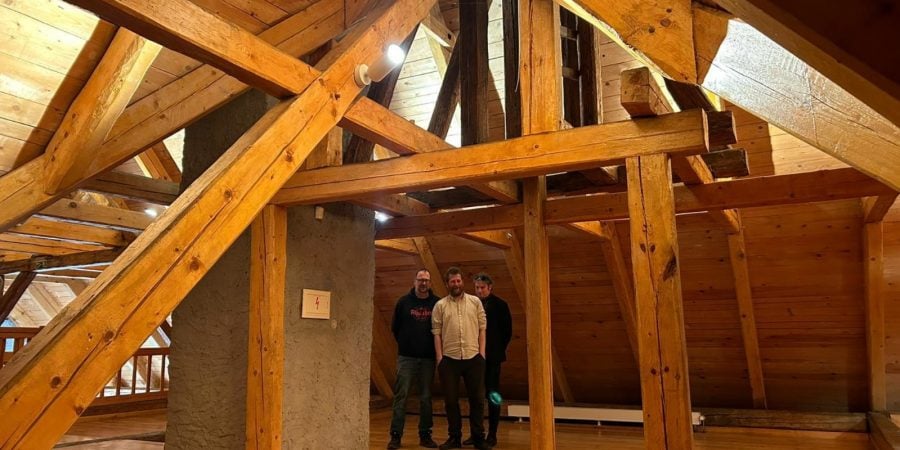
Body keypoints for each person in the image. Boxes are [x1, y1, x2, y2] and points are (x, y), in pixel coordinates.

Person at [432, 267, 489, 450]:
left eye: (458, 281)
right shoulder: (440, 305)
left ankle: (478, 438)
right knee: (450, 401)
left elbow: (482, 328)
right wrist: (440, 358)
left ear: (462, 282)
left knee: (477, 400)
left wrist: (482, 354)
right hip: (449, 360)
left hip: (474, 358)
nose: (456, 284)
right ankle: (454, 438)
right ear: (447, 284)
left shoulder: (475, 302)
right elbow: (436, 333)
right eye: (452, 281)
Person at [387, 269, 440, 449]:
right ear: (414, 281)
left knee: (426, 397)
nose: (423, 283)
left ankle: (425, 435)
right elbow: (395, 328)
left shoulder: (437, 303)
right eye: (420, 280)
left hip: (428, 359)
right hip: (406, 358)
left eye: (426, 280)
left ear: (430, 283)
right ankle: (396, 436)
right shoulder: (403, 302)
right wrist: (406, 344)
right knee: (401, 397)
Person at [464, 273, 512, 447]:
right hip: (473, 356)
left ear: (490, 287)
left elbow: (507, 332)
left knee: (493, 395)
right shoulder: (469, 304)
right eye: (477, 287)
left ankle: (492, 434)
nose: (479, 291)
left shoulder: (500, 305)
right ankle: (476, 433)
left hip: (492, 358)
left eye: (482, 288)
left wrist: (495, 349)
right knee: (474, 396)